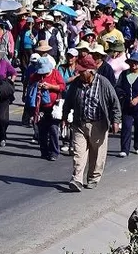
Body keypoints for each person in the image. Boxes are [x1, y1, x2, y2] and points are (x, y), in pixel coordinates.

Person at [63, 56, 121, 191]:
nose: (80, 74)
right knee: (79, 153)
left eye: (82, 71)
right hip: (80, 123)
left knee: (97, 154)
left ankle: (93, 178)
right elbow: (69, 101)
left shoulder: (103, 83)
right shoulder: (76, 84)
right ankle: (77, 179)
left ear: (91, 71)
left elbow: (115, 102)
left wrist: (116, 121)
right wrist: (65, 117)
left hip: (98, 124)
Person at [29, 56, 66, 161]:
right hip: (41, 108)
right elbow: (30, 83)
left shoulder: (55, 73)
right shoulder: (36, 76)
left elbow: (62, 87)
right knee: (42, 131)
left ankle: (54, 152)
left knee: (53, 129)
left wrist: (50, 87)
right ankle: (44, 151)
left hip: (53, 107)